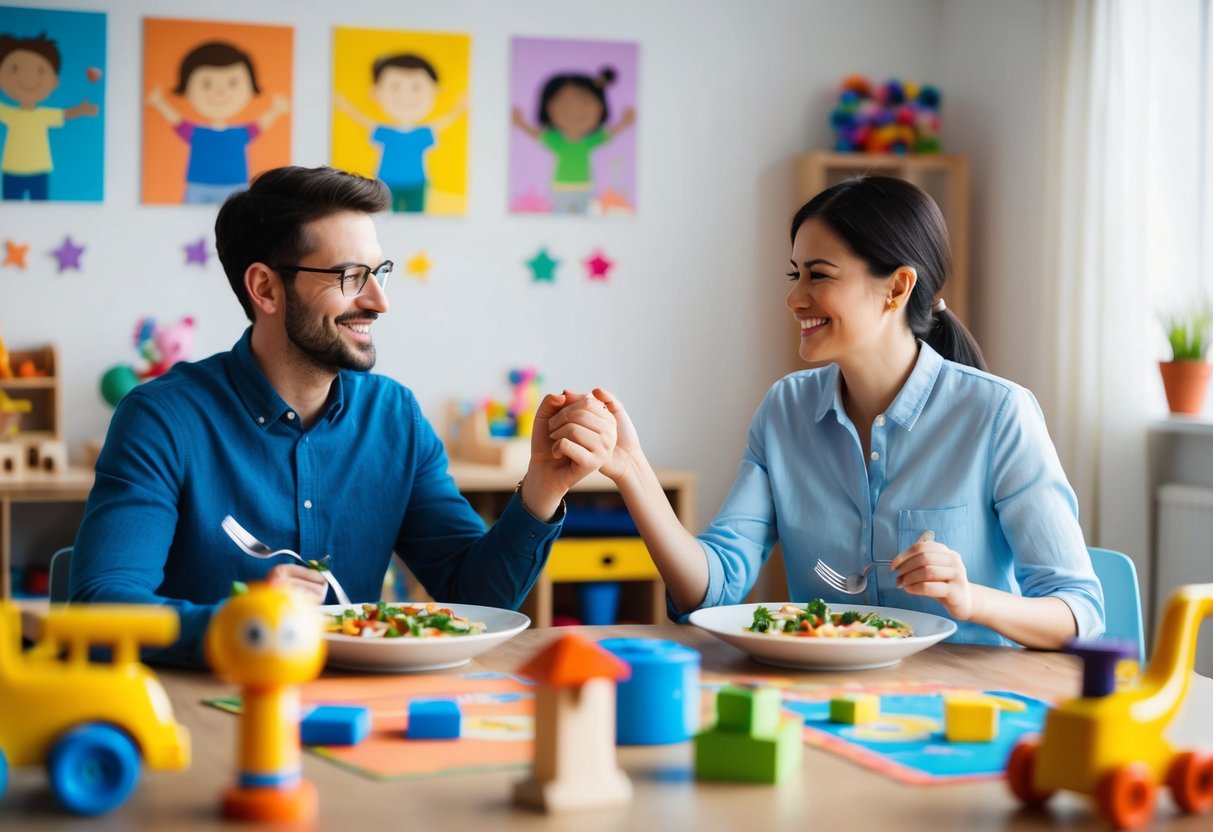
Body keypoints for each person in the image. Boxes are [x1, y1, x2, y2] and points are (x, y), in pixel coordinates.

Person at [71, 165, 616, 667]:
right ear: (265, 287)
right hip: (208, 716)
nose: (380, 302)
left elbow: (474, 597)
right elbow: (100, 611)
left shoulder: (394, 416)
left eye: (379, 272)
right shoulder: (162, 419)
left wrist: (542, 486)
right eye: (351, 276)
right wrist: (247, 625)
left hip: (360, 713)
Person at [567, 176, 1104, 649]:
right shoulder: (785, 409)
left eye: (819, 276)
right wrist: (631, 469)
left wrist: (970, 600)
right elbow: (713, 586)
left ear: (896, 287)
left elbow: (1079, 614)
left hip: (967, 706)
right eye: (794, 274)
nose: (795, 298)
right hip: (823, 703)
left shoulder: (998, 414)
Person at [146, 41, 289, 204]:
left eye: (232, 83)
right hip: (199, 185)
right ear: (186, 88)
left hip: (235, 185)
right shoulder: (197, 133)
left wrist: (275, 110)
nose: (220, 92)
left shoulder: (239, 133)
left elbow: (259, 126)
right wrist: (159, 103)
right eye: (206, 84)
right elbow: (177, 122)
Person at [335, 53, 466, 213]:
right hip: (387, 182)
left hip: (416, 183)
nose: (405, 95)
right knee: (385, 217)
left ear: (435, 91)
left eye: (416, 87)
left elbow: (442, 124)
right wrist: (346, 107)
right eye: (395, 86)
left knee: (415, 214)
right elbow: (363, 122)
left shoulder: (422, 133)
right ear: (375, 92)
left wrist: (457, 111)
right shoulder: (386, 132)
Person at [512, 67, 635, 214]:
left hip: (584, 186)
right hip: (561, 187)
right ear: (548, 107)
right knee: (560, 214)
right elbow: (537, 135)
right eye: (565, 103)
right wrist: (520, 123)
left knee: (583, 215)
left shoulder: (588, 141)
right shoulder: (557, 141)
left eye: (585, 103)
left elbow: (609, 134)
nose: (575, 111)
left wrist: (624, 123)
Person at [0, 32, 100, 200]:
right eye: (15, 69)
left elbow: (65, 114)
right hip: (12, 170)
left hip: (40, 170)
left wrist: (83, 109)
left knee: (41, 209)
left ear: (54, 82)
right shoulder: (9, 114)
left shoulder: (43, 115)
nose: (28, 79)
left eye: (40, 71)